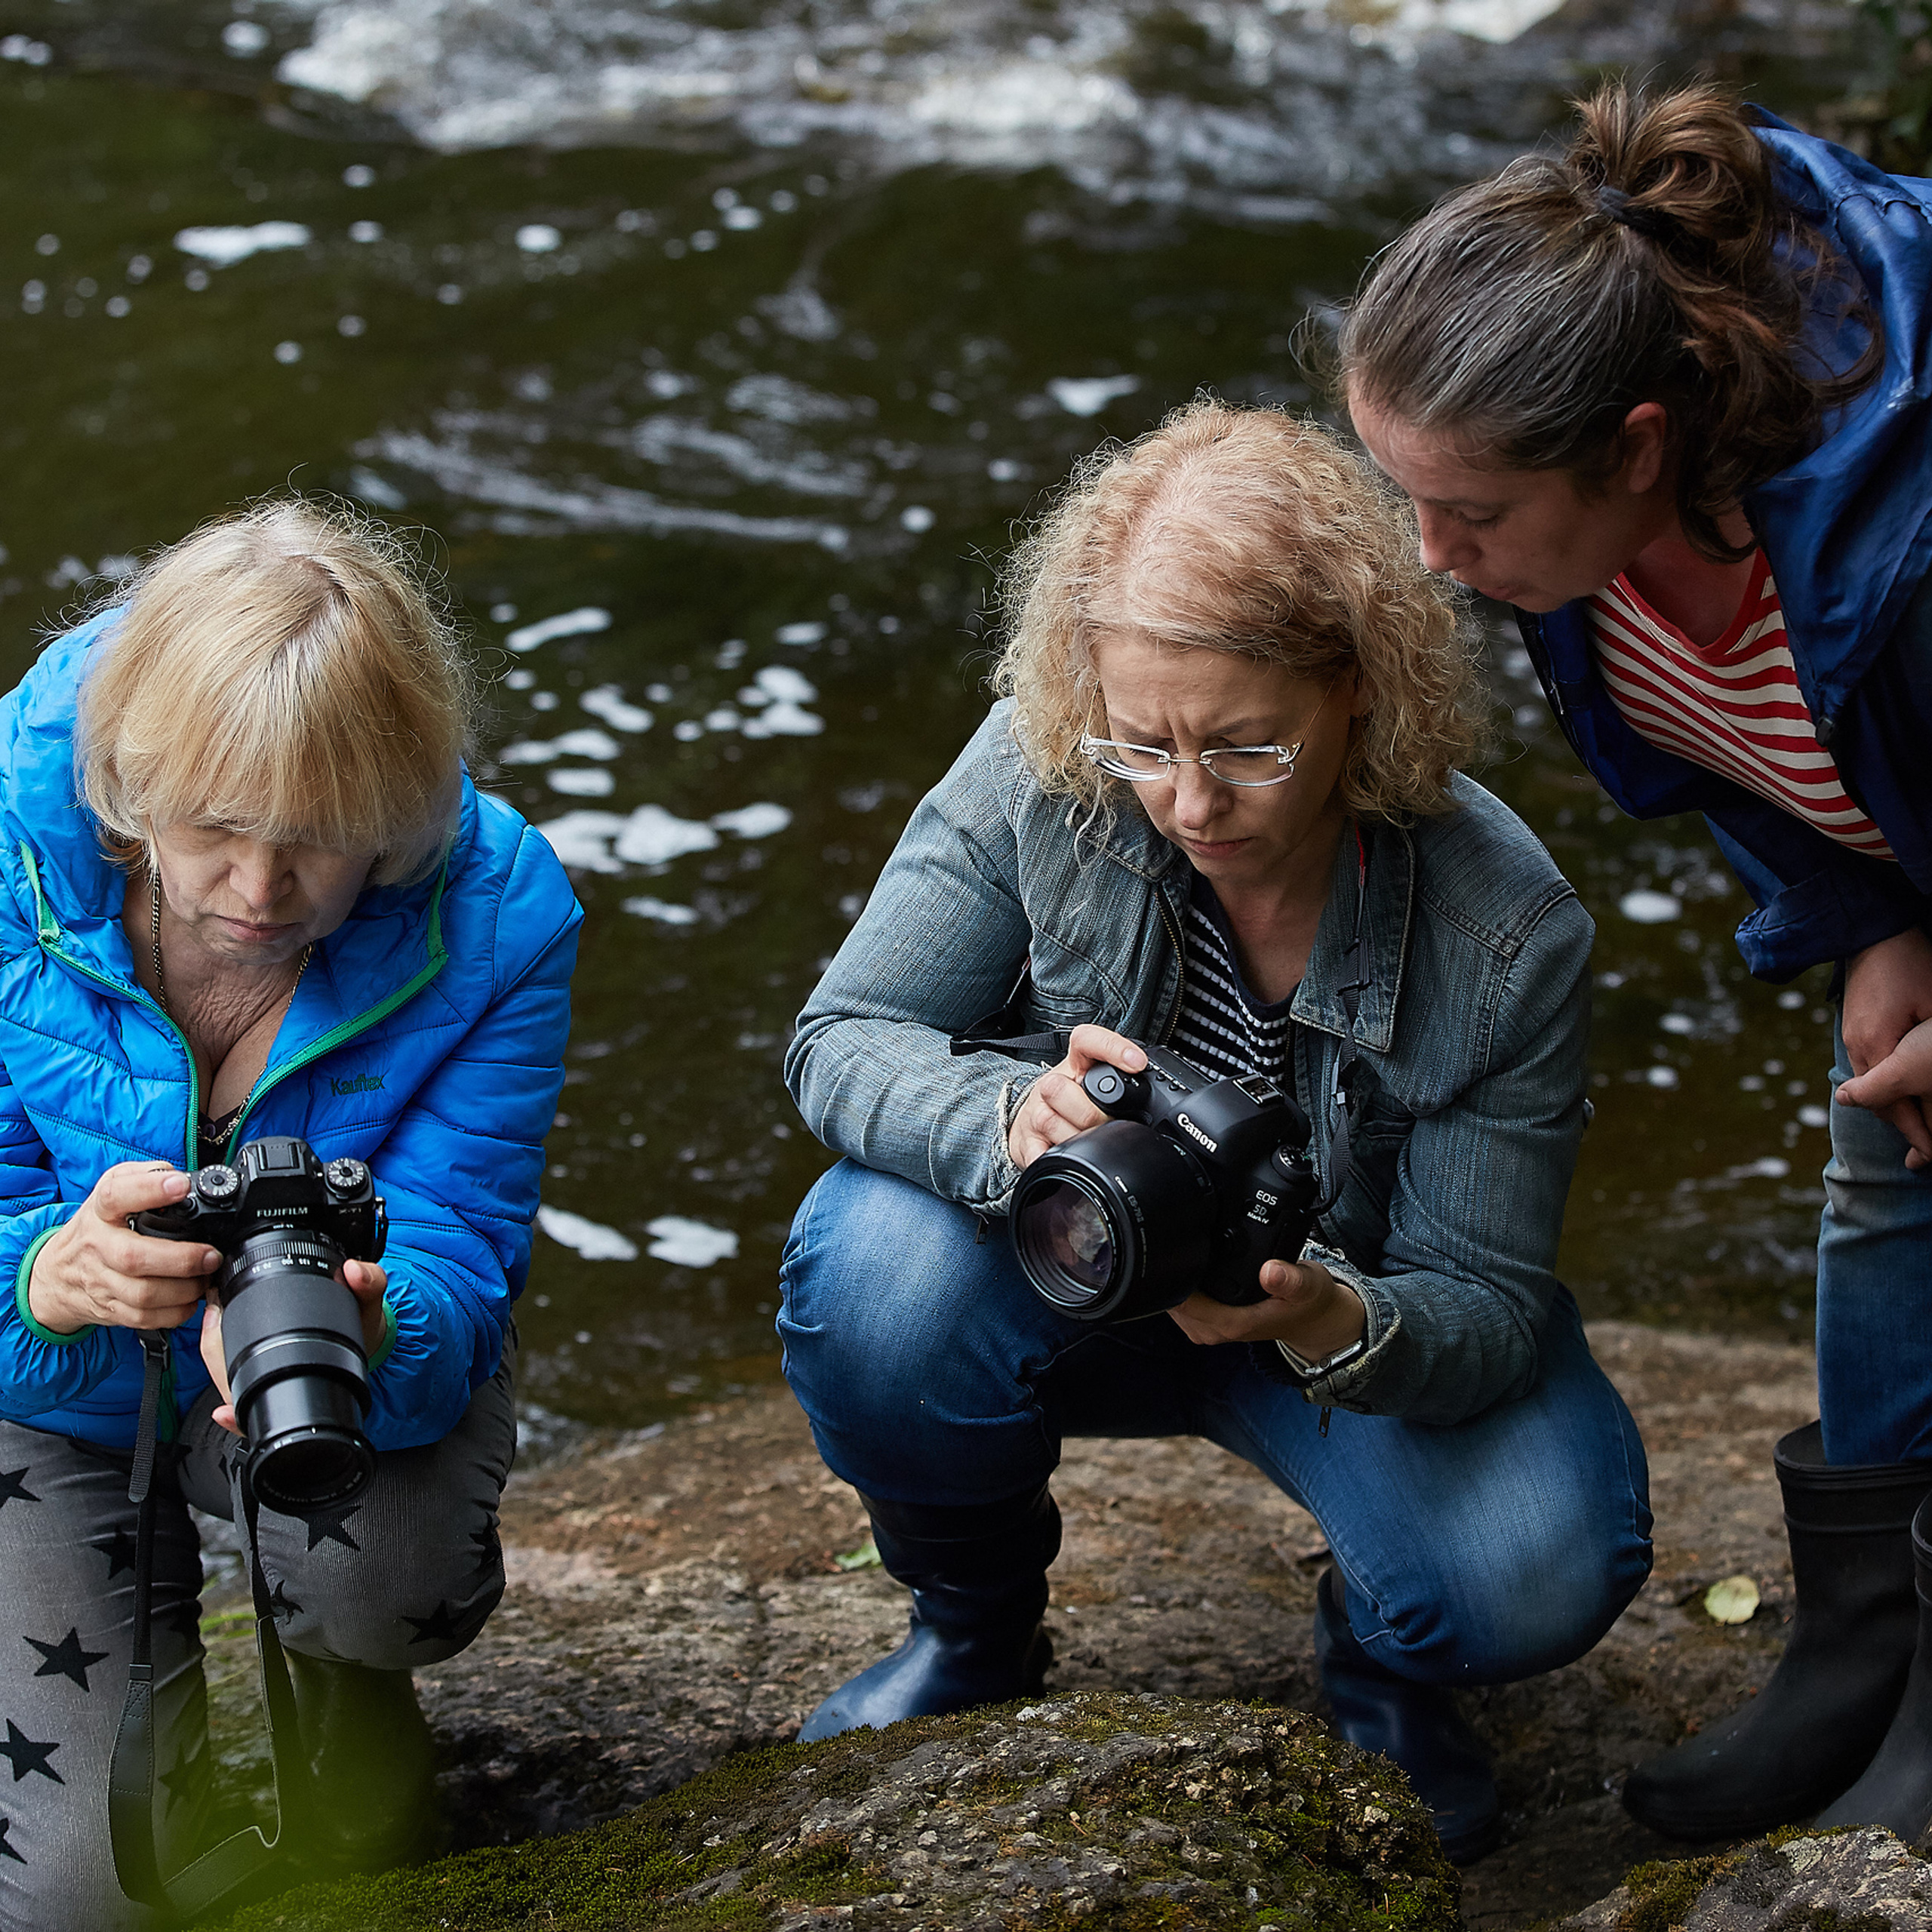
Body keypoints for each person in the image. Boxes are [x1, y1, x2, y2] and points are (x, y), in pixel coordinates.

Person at [777, 400, 1652, 1866]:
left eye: (1246, 748)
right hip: (1065, 1262)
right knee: (866, 1266)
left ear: (1360, 693)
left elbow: (1484, 1306)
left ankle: (1380, 1657)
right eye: (1144, 741)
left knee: (1534, 1563)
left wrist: (1322, 1312)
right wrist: (1007, 1119)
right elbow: (837, 1038)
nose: (1187, 800)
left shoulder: (1507, 927)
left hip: (1318, 1320)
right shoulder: (1039, 766)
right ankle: (977, 1635)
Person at [1340, 82, 1932, 1844]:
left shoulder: (1904, 553)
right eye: (1403, 496)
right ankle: (1863, 1645)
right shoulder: (1574, 553)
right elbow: (1762, 753)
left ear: (1640, 445)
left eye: (1466, 514)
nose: (1427, 562)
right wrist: (1873, 914)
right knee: (1882, 1175)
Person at [0, 501, 580, 1928]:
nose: (260, 894)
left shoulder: (499, 911)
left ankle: (340, 1662)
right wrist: (43, 1277)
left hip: (320, 1389)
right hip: (44, 1392)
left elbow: (458, 1247)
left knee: (389, 1584)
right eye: (214, 833)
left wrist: (385, 1330)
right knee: (78, 1903)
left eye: (323, 846)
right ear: (126, 784)